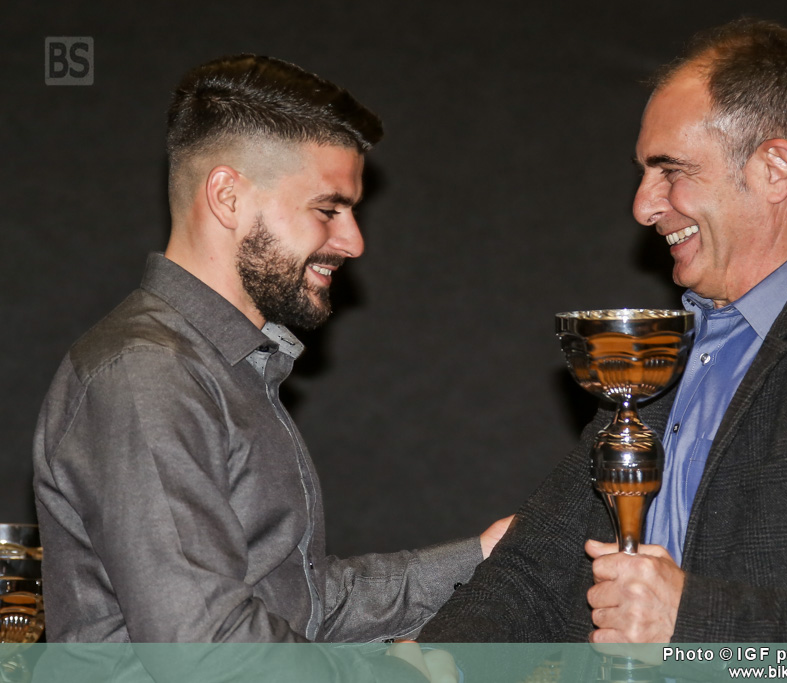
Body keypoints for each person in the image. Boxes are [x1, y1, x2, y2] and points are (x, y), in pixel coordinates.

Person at [419, 19, 787, 646]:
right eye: (644, 173)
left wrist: (691, 618)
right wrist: (435, 663)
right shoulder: (659, 356)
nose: (643, 206)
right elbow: (532, 571)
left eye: (671, 170)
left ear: (774, 169)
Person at [32, 54, 509, 645]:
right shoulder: (145, 374)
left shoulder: (224, 366)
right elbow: (207, 650)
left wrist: (486, 557)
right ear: (228, 197)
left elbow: (300, 607)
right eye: (328, 209)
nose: (353, 241)